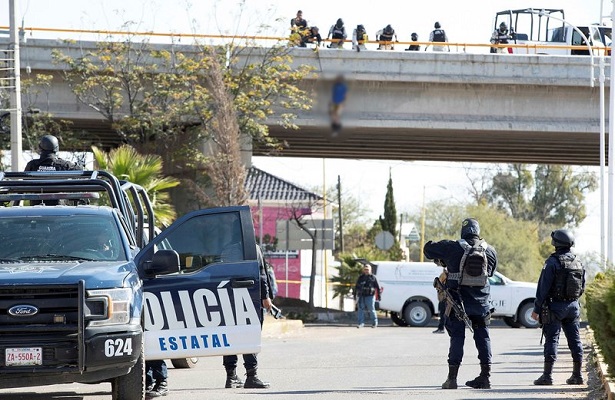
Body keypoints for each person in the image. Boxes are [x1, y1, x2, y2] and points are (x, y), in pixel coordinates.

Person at [423, 218, 497, 390]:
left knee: (457, 338)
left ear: (463, 232)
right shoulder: (490, 251)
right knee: (483, 337)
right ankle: (485, 377)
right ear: (478, 232)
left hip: (458, 303)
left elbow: (428, 249)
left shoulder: (452, 247)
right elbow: (491, 272)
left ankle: (452, 379)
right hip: (481, 305)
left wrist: (445, 259)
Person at [531, 229, 585, 386]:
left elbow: (543, 288)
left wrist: (536, 309)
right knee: (575, 340)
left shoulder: (552, 262)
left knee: (552, 339)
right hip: (573, 306)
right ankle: (577, 375)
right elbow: (582, 287)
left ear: (556, 243)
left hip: (554, 307)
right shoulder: (578, 262)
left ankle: (547, 376)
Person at [223, 245, 272, 389]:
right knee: (250, 336)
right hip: (250, 297)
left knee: (230, 337)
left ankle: (231, 377)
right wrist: (265, 297)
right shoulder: (251, 246)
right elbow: (261, 273)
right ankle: (252, 376)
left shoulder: (225, 249)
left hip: (228, 298)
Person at [354, 262, 381, 328]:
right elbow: (356, 286)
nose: (366, 271)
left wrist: (379, 295)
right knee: (360, 309)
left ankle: (374, 323)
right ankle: (361, 323)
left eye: (367, 269)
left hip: (370, 296)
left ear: (370, 270)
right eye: (365, 269)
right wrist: (355, 294)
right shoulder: (361, 277)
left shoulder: (373, 277)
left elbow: (377, 287)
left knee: (371, 309)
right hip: (362, 296)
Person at [433, 267, 448, 333]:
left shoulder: (444, 275)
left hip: (443, 298)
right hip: (446, 298)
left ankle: (441, 328)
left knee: (442, 314)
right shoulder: (451, 275)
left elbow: (437, 285)